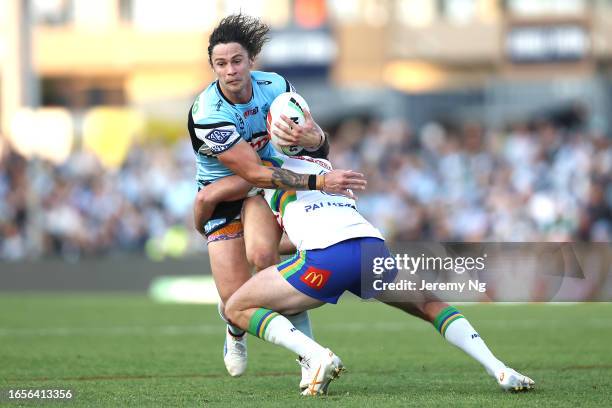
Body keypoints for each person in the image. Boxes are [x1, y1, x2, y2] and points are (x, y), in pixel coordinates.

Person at [220, 152, 535, 396]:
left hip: (327, 258)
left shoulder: (262, 180)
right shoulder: (321, 163)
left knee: (235, 307)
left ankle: (315, 356)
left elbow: (257, 244)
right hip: (370, 246)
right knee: (431, 305)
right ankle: (500, 368)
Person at [187, 13, 365, 382]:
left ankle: (308, 357)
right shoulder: (207, 113)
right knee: (235, 301)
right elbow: (250, 171)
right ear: (212, 67)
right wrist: (319, 181)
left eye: (237, 61)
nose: (230, 70)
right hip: (230, 192)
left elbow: (316, 140)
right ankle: (234, 332)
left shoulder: (278, 86)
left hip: (265, 186)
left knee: (264, 258)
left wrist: (314, 139)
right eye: (220, 64)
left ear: (251, 60)